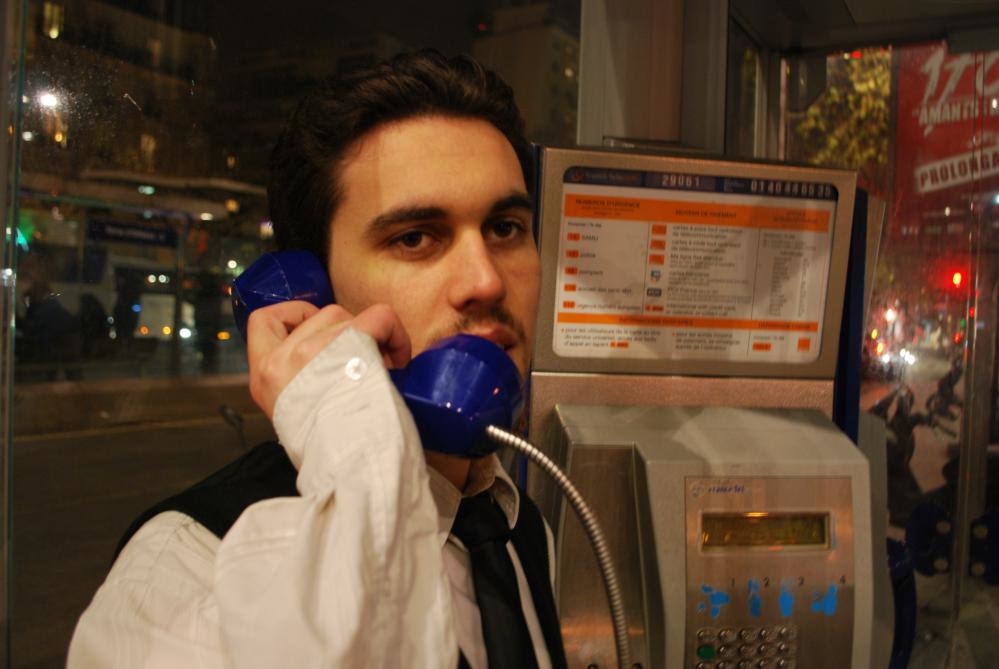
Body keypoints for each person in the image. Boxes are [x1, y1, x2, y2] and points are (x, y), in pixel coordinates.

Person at [68, 50, 566, 668]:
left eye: (505, 228)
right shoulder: (186, 580)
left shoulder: (515, 526)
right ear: (313, 297)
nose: (486, 281)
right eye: (415, 238)